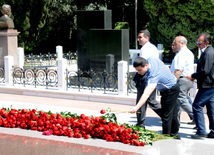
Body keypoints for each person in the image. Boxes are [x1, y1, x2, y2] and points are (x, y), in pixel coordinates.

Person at [131, 57, 180, 138]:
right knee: (172, 113)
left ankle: (166, 137)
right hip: (171, 88)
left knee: (166, 115)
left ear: (146, 65)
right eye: (137, 70)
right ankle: (175, 134)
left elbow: (146, 94)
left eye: (140, 70)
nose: (139, 73)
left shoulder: (153, 76)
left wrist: (136, 107)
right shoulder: (151, 59)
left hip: (170, 90)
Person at [186, 32, 214, 139]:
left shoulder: (208, 53)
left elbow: (205, 71)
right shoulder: (208, 51)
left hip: (208, 84)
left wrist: (193, 76)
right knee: (211, 109)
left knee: (197, 106)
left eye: (199, 43)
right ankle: (213, 131)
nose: (197, 45)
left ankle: (201, 131)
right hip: (209, 84)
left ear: (207, 43)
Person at [133, 30, 161, 128]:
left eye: (140, 37)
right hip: (151, 75)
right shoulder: (153, 47)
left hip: (144, 76)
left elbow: (141, 63)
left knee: (143, 99)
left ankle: (140, 123)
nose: (138, 39)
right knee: (151, 101)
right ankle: (168, 116)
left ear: (147, 38)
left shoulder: (145, 49)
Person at [170, 36, 194, 124]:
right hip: (186, 80)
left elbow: (178, 70)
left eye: (175, 43)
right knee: (180, 100)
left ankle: (197, 117)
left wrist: (173, 82)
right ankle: (176, 120)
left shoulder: (182, 54)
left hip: (182, 79)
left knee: (181, 99)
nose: (173, 46)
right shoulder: (187, 52)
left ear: (182, 43)